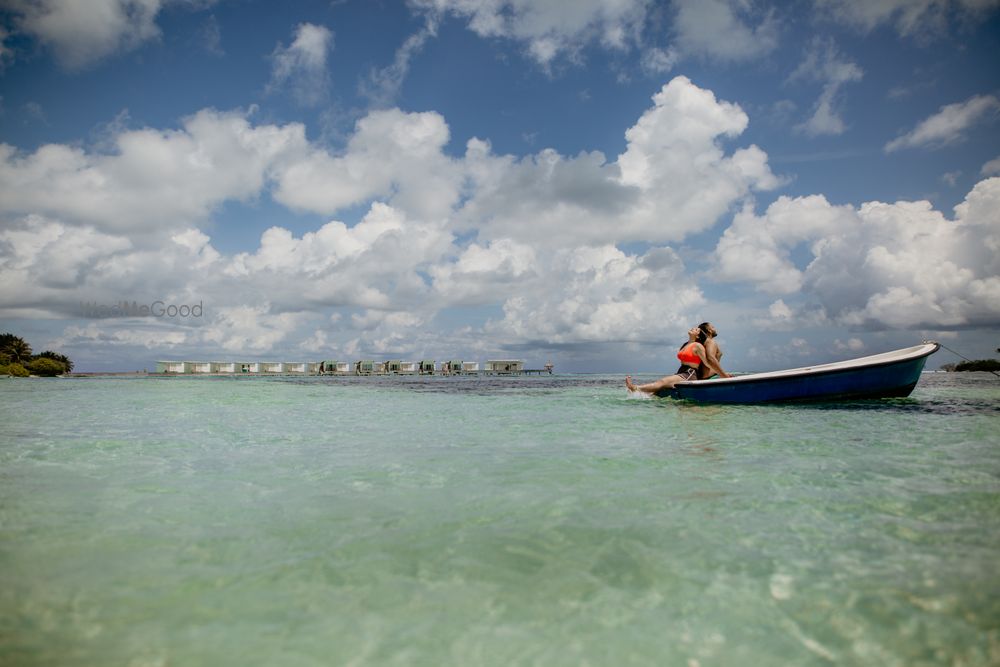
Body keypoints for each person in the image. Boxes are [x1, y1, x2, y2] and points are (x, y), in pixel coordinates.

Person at [625, 326, 731, 395]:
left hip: (689, 373)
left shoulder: (698, 346)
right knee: (657, 392)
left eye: (696, 330)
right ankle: (642, 396)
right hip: (681, 371)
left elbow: (707, 363)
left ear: (698, 335)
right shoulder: (685, 345)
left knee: (661, 382)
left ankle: (634, 388)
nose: (693, 329)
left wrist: (722, 374)